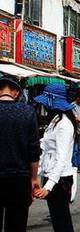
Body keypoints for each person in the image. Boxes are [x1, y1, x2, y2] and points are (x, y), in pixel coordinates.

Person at [34, 83, 76, 232]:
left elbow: (61, 158)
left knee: (61, 222)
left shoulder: (64, 124)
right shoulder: (55, 121)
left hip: (60, 180)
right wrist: (38, 176)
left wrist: (48, 186)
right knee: (58, 220)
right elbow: (45, 151)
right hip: (52, 176)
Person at [0, 76, 40, 232]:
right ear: (16, 93)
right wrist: (34, 178)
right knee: (16, 225)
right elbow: (34, 150)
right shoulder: (27, 112)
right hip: (19, 179)